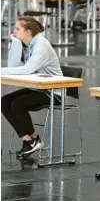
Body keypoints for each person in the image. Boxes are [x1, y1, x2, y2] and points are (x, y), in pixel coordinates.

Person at [1, 16, 63, 159]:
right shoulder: (29, 44)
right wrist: (16, 43)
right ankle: (29, 139)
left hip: (54, 91)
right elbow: (13, 66)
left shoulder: (41, 45)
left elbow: (27, 69)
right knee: (4, 102)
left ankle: (33, 140)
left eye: (17, 29)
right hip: (38, 87)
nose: (14, 31)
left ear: (28, 31)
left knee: (17, 104)